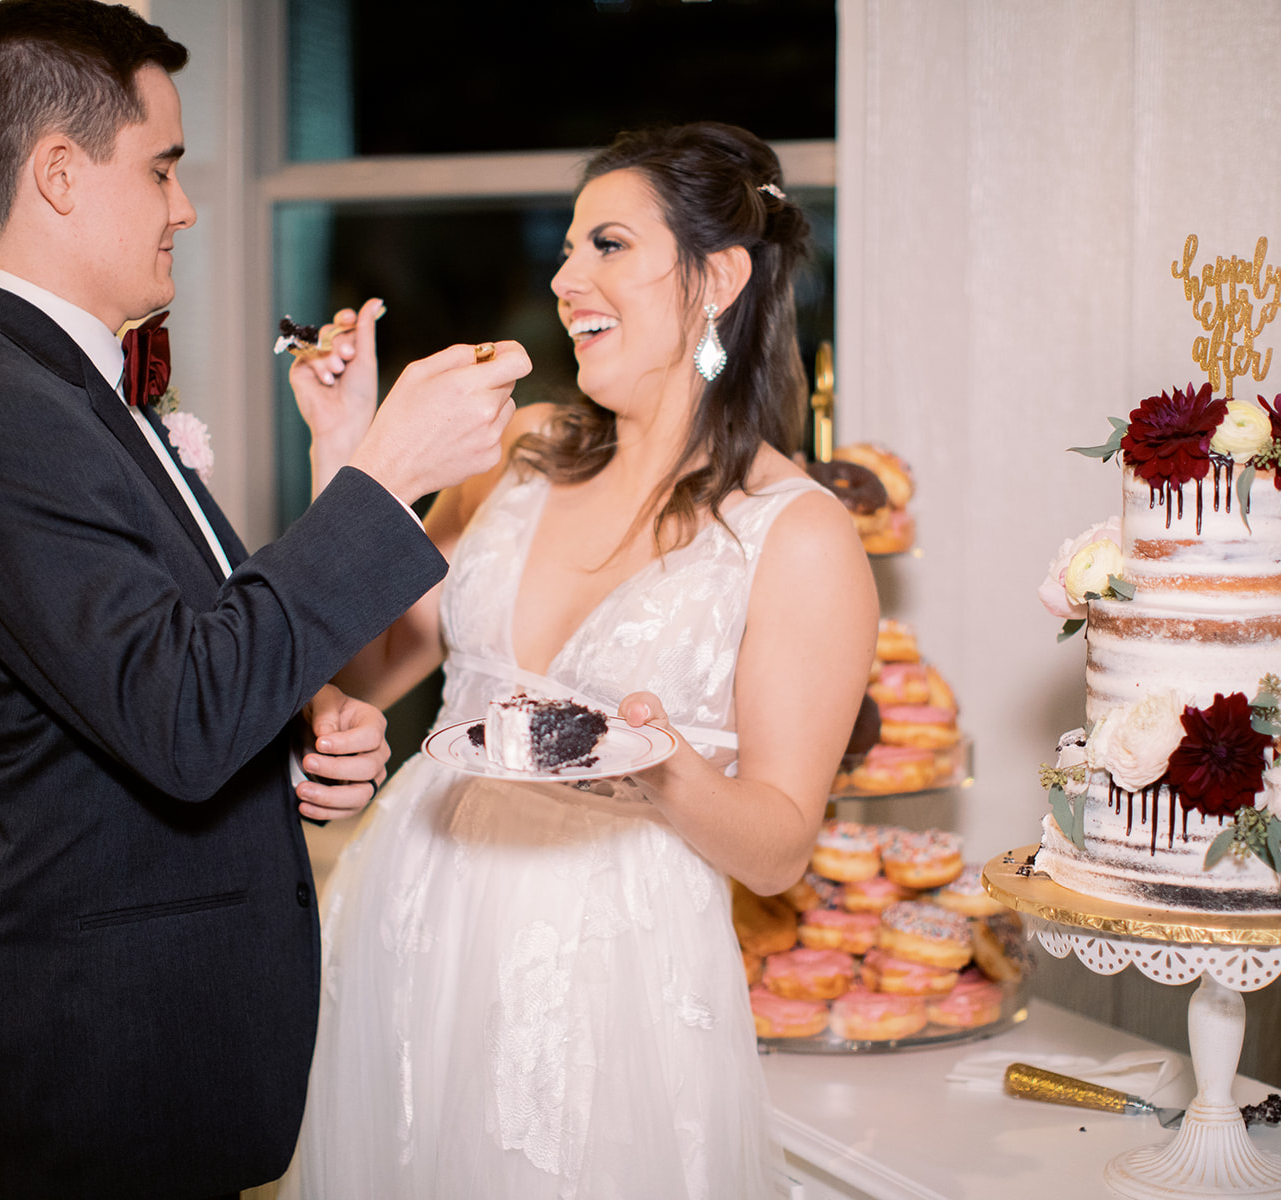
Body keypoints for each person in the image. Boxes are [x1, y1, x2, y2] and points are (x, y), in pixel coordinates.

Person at [0, 3, 527, 1197]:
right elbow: (183, 718)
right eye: (164, 167)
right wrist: (389, 474)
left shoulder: (63, 394)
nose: (186, 206)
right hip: (84, 1072)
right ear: (61, 174)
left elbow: (165, 678)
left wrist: (291, 741)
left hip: (145, 1056)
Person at [281, 123, 879, 1198]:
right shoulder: (520, 456)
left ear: (719, 278)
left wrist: (659, 766)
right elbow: (364, 670)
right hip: (411, 922)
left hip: (608, 985)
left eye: (605, 244)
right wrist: (345, 448)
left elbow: (780, 849)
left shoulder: (800, 533)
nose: (564, 279)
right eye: (564, 251)